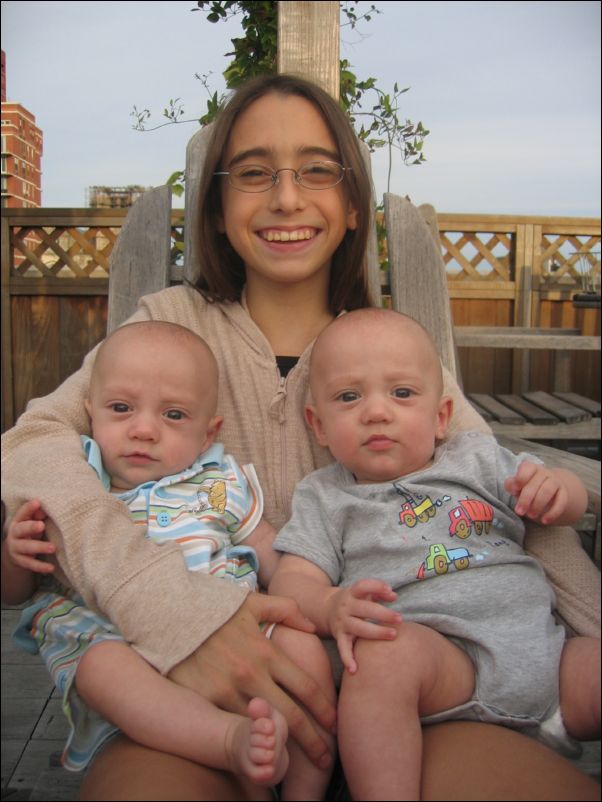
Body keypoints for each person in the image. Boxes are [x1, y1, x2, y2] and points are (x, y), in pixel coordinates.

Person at [1, 73, 599, 801]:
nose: (286, 197)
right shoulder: (168, 328)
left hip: (420, 693)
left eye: (317, 170)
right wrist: (171, 611)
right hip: (200, 701)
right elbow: (32, 445)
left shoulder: (388, 355)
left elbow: (510, 500)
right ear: (217, 207)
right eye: (254, 173)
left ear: (353, 206)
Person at [269, 307, 601, 800]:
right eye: (349, 397)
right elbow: (293, 580)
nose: (376, 412)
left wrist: (556, 490)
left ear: (441, 416)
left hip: (551, 660)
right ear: (318, 425)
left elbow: (569, 502)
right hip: (443, 668)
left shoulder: (478, 459)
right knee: (382, 662)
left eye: (402, 393)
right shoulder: (325, 496)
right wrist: (329, 604)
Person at [2, 320, 335, 799]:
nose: (143, 430)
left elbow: (270, 551)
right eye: (121, 408)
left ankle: (303, 791)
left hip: (234, 626)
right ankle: (226, 740)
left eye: (174, 415)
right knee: (100, 667)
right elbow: (14, 593)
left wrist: (317, 602)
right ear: (89, 411)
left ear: (208, 433)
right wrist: (14, 556)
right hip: (117, 637)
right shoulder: (77, 478)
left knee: (302, 649)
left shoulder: (217, 482)